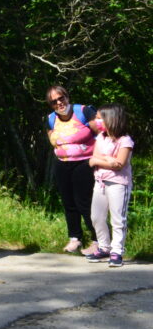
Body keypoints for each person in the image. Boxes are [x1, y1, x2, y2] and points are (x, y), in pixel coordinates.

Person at [46, 85, 99, 254]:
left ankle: (98, 240)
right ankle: (75, 238)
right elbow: (52, 139)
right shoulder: (50, 118)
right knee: (68, 202)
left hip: (84, 163)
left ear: (67, 96)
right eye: (54, 101)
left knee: (85, 202)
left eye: (61, 98)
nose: (59, 103)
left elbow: (101, 133)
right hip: (62, 164)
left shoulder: (83, 111)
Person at [86, 104, 135, 268]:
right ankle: (104, 246)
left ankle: (117, 251)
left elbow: (119, 164)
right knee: (96, 217)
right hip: (100, 182)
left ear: (111, 119)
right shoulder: (101, 137)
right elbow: (93, 159)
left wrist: (103, 160)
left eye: (100, 118)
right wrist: (108, 159)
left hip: (118, 184)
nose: (97, 121)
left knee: (117, 219)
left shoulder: (125, 140)